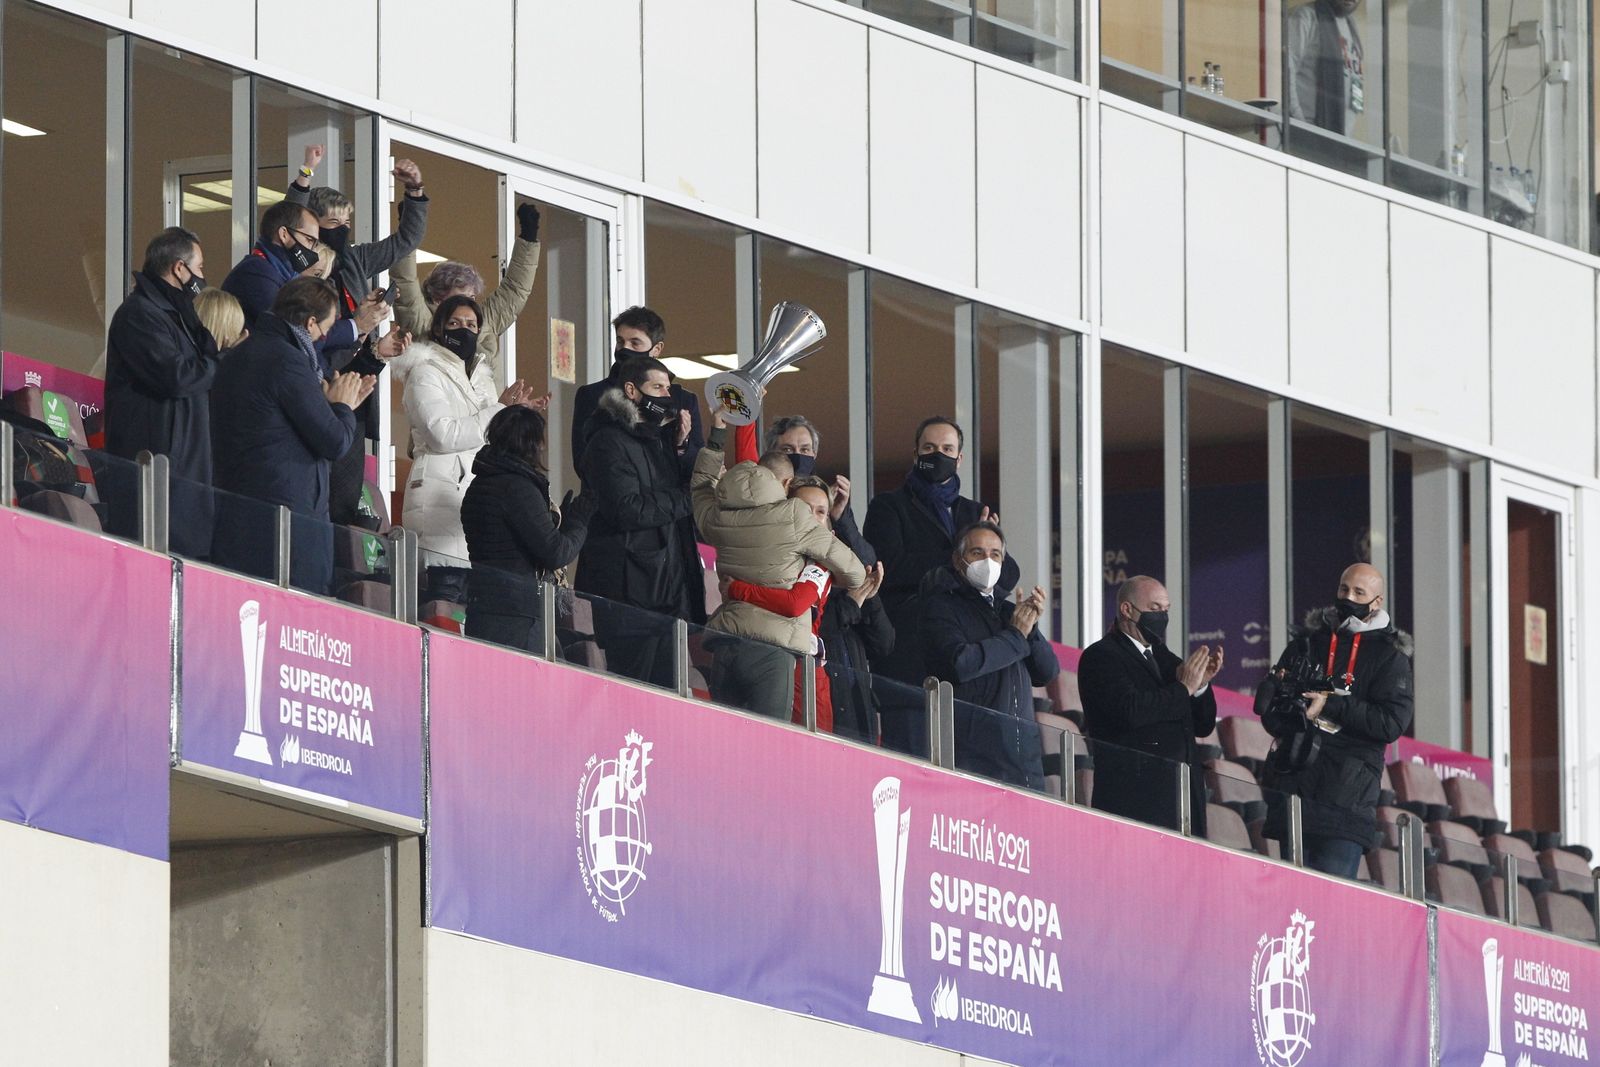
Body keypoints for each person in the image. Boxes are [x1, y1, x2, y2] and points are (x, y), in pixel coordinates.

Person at [209, 278, 375, 595]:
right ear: (310, 322)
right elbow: (335, 441)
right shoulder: (288, 361)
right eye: (325, 327)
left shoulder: (241, 355)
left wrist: (327, 405)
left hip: (239, 518)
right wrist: (343, 407)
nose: (326, 337)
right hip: (287, 531)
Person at [865, 416, 1017, 755]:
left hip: (965, 662)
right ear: (915, 453)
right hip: (908, 656)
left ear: (959, 457)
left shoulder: (975, 512)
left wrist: (983, 549)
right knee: (911, 757)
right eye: (930, 448)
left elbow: (1006, 576)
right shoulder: (888, 507)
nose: (938, 455)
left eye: (947, 449)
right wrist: (960, 558)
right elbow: (888, 567)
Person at [693, 428, 865, 717]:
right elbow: (855, 573)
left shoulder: (718, 516)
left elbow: (699, 487)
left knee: (725, 747)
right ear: (787, 483)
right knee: (768, 748)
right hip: (773, 652)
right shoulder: (794, 517)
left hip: (724, 646)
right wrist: (817, 566)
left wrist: (716, 437)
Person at [1257, 562, 1413, 878]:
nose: (1349, 597)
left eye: (1359, 592)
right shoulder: (1307, 643)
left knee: (1329, 907)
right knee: (1291, 906)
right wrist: (1293, 711)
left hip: (1347, 799)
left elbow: (1390, 724)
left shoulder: (1390, 658)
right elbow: (1273, 714)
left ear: (1377, 601)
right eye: (1344, 589)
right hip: (1296, 787)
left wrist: (1331, 703)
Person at [574, 355, 706, 686]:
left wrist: (680, 448)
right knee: (637, 700)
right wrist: (688, 497)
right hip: (630, 600)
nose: (666, 396)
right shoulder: (607, 440)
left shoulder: (653, 439)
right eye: (657, 387)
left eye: (668, 388)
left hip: (665, 596)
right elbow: (628, 509)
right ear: (632, 390)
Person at [104, 226, 221, 558]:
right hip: (157, 472)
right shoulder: (138, 315)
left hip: (185, 470)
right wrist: (221, 364)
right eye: (199, 268)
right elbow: (176, 377)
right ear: (179, 268)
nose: (202, 276)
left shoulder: (179, 316)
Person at [917, 521, 1058, 790]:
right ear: (959, 561)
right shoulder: (941, 606)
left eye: (995, 554)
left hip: (1024, 758)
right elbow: (960, 664)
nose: (988, 561)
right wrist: (1016, 636)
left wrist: (1031, 629)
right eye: (977, 553)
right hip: (974, 756)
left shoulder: (1009, 612)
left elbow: (1047, 672)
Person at [1077, 575, 1222, 835]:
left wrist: (1200, 686)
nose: (1162, 617)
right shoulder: (1101, 656)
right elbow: (1130, 711)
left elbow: (1202, 726)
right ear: (1127, 609)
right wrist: (1183, 688)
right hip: (1136, 801)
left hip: (1184, 803)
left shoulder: (1163, 657)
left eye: (1166, 610)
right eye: (1155, 609)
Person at [400, 294, 540, 558]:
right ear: (439, 329)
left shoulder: (481, 377)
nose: (464, 330)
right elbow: (442, 435)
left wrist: (515, 415)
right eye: (455, 323)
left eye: (471, 325)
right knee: (445, 590)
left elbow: (491, 440)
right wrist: (499, 409)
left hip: (477, 499)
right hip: (437, 496)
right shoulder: (423, 372)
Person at [460, 405, 594, 654]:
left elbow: (513, 539)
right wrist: (579, 521)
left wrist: (555, 523)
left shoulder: (480, 485)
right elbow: (556, 553)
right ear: (531, 443)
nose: (543, 447)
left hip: (484, 608)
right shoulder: (516, 487)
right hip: (517, 615)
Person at [391, 202, 542, 379]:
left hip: (488, 404)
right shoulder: (423, 324)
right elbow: (405, 280)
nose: (469, 305)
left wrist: (529, 237)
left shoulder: (484, 321)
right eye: (462, 298)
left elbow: (515, 290)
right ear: (438, 299)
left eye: (472, 297)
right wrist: (409, 228)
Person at [570, 306, 704, 464]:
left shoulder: (682, 400)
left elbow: (696, 464)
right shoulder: (592, 395)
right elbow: (582, 460)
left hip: (671, 488)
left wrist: (681, 444)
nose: (624, 349)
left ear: (656, 349)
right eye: (620, 341)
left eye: (635, 343)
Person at [1287, 0, 1366, 137]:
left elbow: (1355, 83)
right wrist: (1300, 124)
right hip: (1306, 135)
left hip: (1340, 144)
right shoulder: (1306, 16)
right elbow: (1286, 71)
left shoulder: (1351, 25)